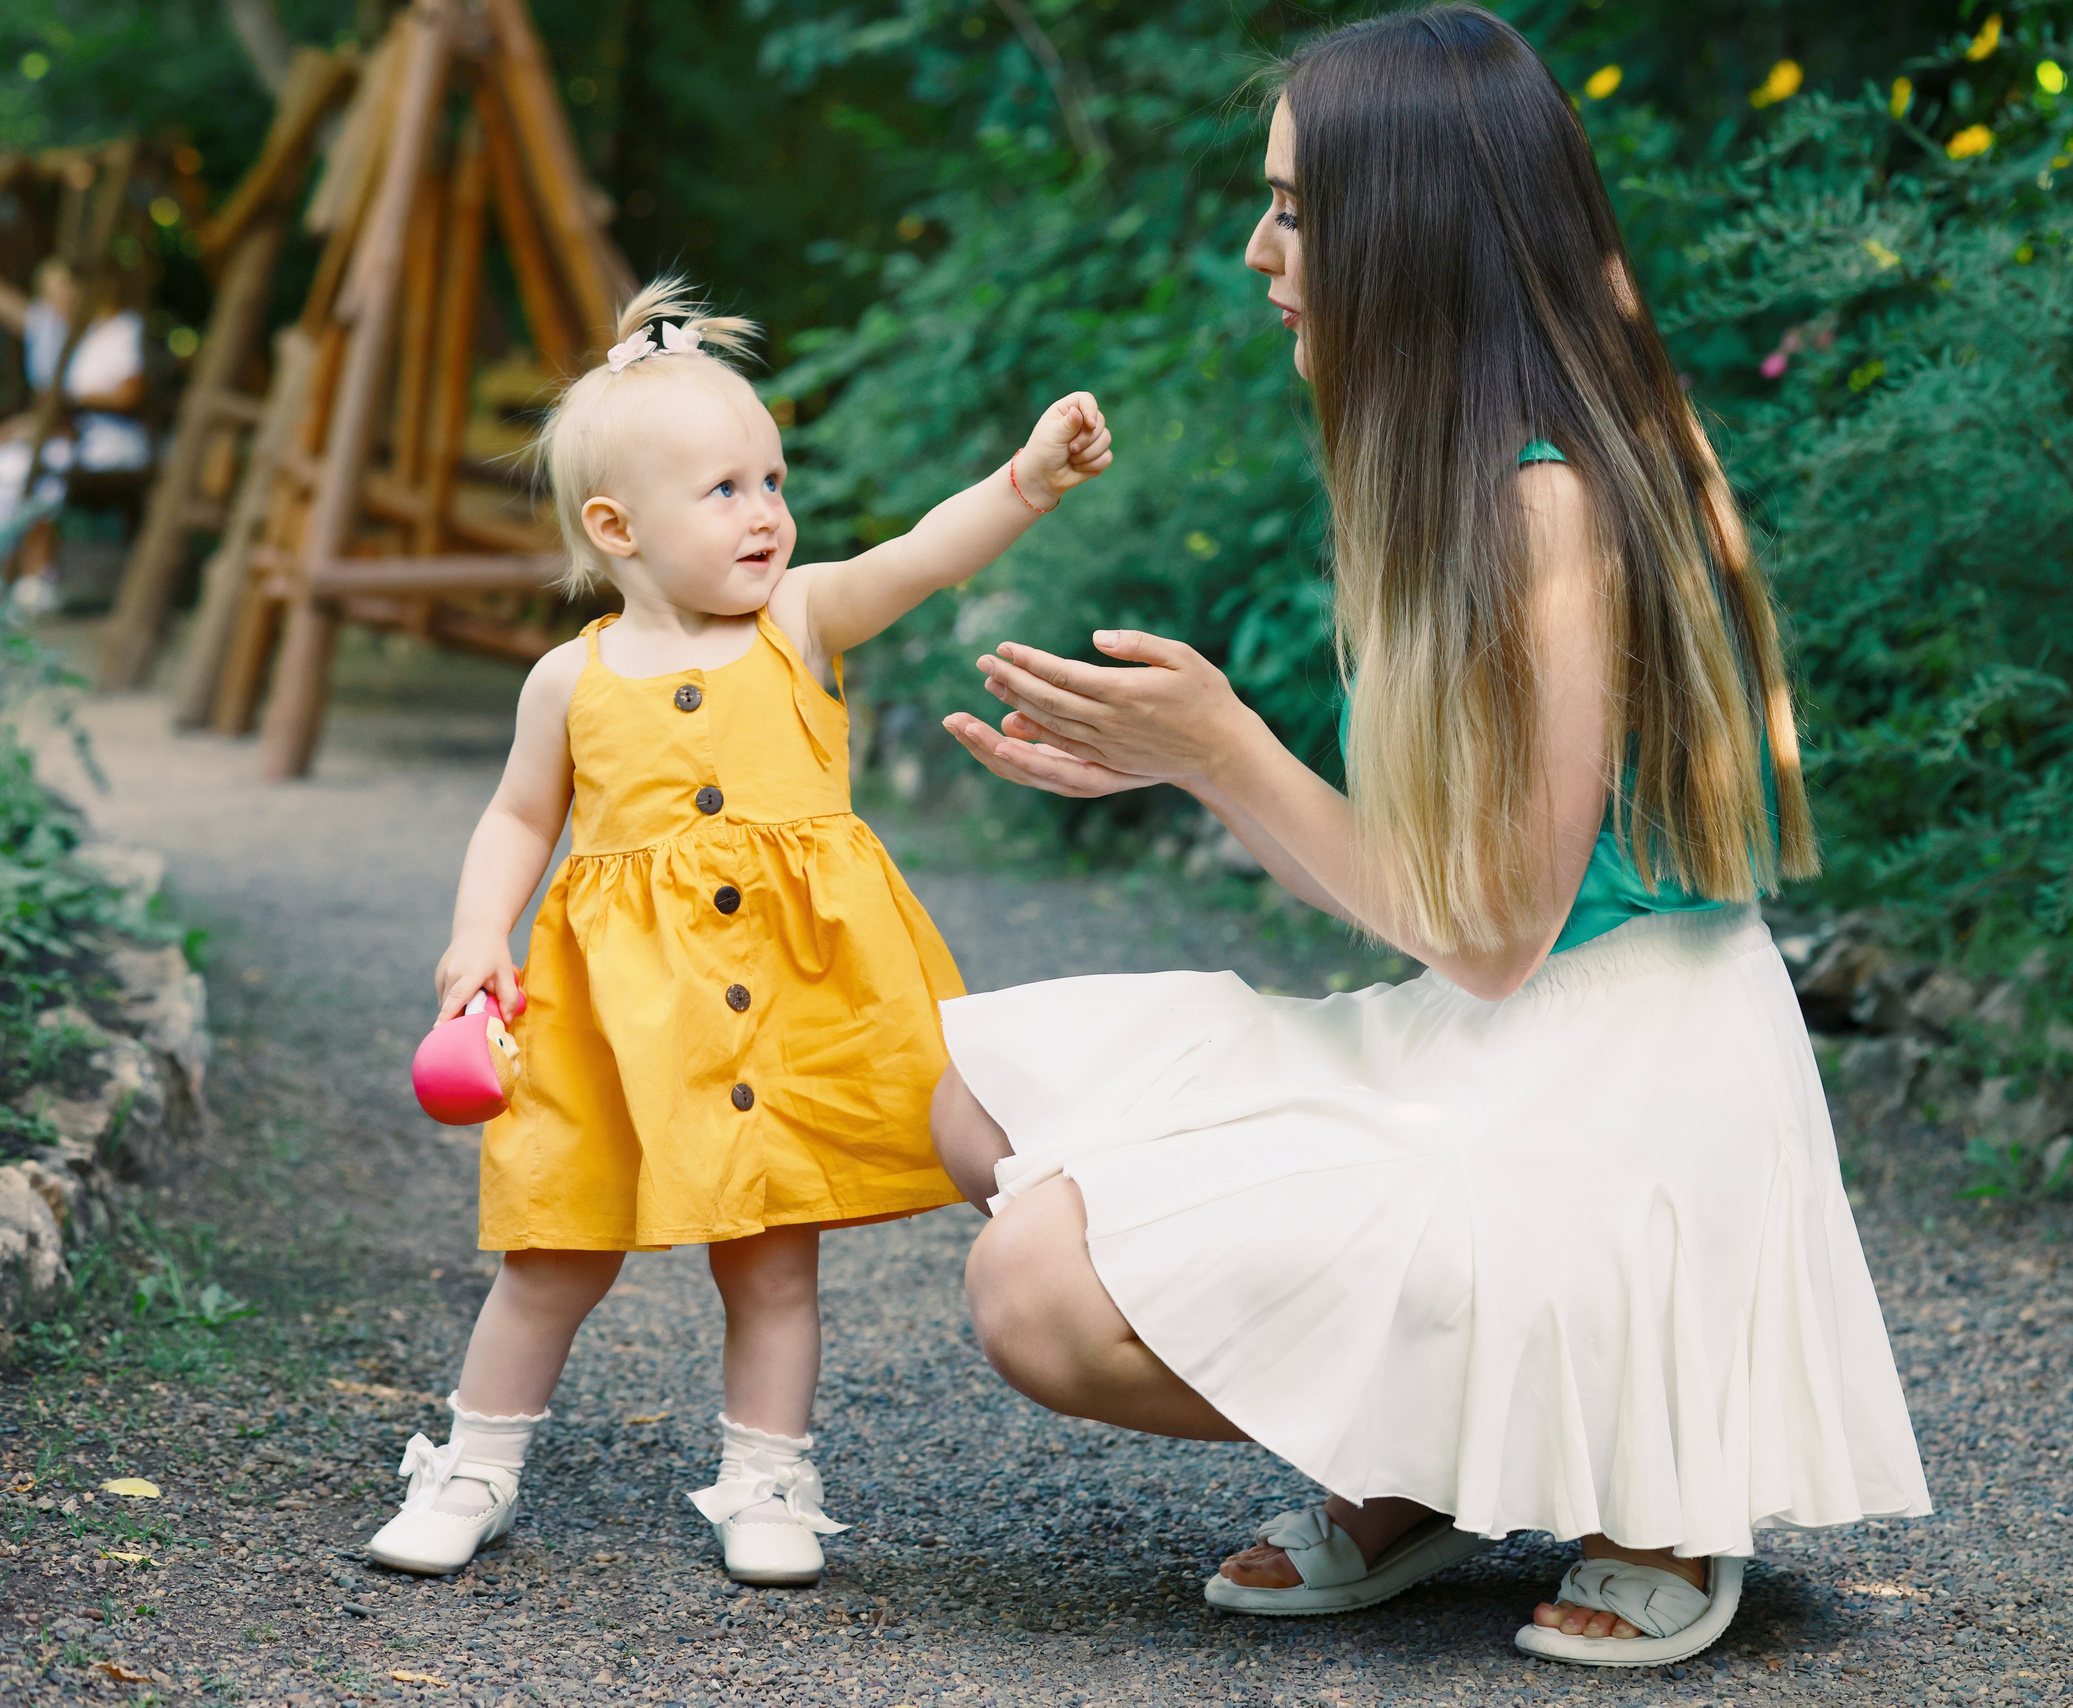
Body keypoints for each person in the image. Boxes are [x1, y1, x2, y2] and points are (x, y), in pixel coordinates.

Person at [928, 6, 1929, 1669]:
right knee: (985, 1100)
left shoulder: (1551, 504)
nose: (1259, 251)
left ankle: (1634, 1482)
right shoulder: (1442, 471)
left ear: (1410, 228)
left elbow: (1498, 932)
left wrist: (1229, 750)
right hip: (1485, 1039)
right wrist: (1181, 768)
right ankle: (1424, 1448)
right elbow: (1429, 908)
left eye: (1295, 211)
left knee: (1035, 1287)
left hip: (1621, 1088)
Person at [363, 278, 1112, 1585]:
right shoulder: (569, 680)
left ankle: (769, 1478)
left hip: (785, 1007)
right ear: (617, 527)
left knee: (771, 1264)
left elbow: (922, 556)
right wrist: (480, 932)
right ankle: (474, 1464)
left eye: (772, 480)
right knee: (552, 1250)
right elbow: (518, 816)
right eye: (723, 490)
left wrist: (1026, 482)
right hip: (617, 1022)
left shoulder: (798, 621)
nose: (766, 510)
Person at [0, 258, 152, 610]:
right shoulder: (55, 332)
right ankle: (19, 571)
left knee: (30, 468)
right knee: (8, 463)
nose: (56, 301)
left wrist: (71, 400)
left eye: (62, 292)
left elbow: (130, 394)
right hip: (63, 434)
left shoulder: (121, 329)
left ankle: (39, 573)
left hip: (108, 439)